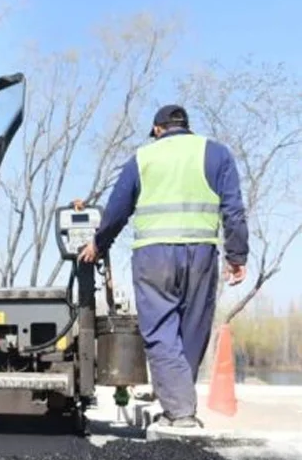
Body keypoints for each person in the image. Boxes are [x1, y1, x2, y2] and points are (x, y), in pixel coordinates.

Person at [78, 105, 248, 429]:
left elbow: (116, 210)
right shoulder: (216, 153)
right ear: (186, 127)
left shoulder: (142, 158)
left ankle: (179, 411)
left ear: (158, 129)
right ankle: (179, 405)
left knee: (160, 331)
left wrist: (98, 245)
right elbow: (234, 210)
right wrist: (236, 256)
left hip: (153, 256)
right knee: (193, 330)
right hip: (201, 254)